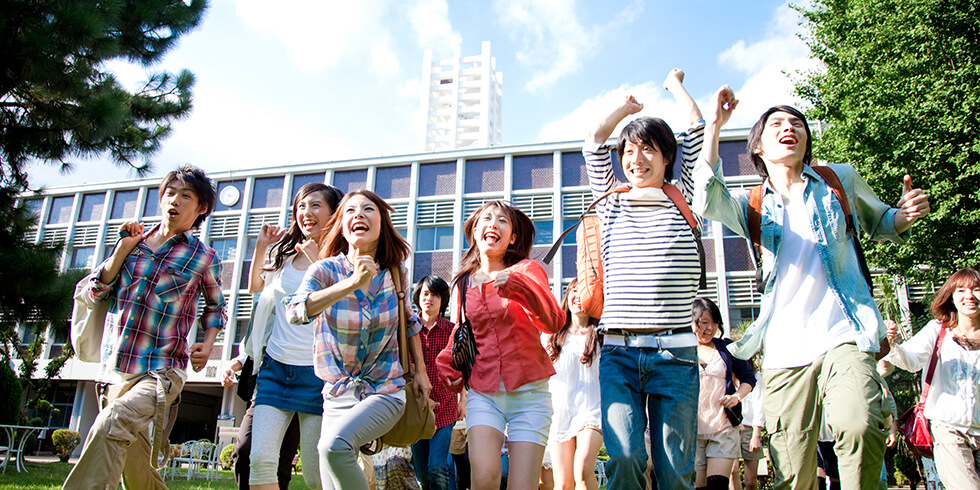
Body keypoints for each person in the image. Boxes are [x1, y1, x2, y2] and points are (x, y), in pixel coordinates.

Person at [693, 87, 931, 489]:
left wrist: (903, 216)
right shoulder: (752, 204)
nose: (790, 128)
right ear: (760, 149)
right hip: (785, 349)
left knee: (859, 425)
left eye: (796, 123)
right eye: (777, 125)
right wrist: (713, 125)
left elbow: (881, 220)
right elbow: (706, 197)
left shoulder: (840, 180)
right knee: (792, 468)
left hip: (845, 332)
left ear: (806, 140)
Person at [64, 165, 226, 489]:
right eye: (169, 193)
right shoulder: (132, 242)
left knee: (113, 421)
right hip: (116, 369)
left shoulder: (203, 257)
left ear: (201, 208)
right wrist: (121, 251)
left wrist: (208, 345)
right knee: (136, 470)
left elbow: (217, 306)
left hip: (161, 372)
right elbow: (95, 291)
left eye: (185, 196)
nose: (174, 201)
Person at [583, 68, 706, 490]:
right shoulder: (610, 202)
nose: (636, 160)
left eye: (649, 150)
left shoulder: (683, 196)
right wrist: (626, 110)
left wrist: (674, 87)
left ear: (668, 157)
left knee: (675, 472)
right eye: (629, 152)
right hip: (618, 352)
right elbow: (594, 141)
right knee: (626, 459)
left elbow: (697, 127)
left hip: (675, 354)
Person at [285, 190, 432, 490]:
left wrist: (421, 374)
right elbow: (295, 311)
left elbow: (409, 322)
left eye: (368, 210)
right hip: (338, 393)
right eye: (350, 211)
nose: (359, 215)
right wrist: (350, 284)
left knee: (332, 448)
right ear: (342, 224)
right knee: (331, 481)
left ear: (382, 224)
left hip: (386, 390)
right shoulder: (324, 270)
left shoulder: (395, 273)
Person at [435, 200, 565, 490]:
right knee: (483, 479)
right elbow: (462, 329)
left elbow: (554, 321)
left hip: (529, 395)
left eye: (502, 221)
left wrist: (519, 288)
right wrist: (446, 361)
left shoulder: (528, 270)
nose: (493, 223)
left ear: (512, 238)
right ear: (476, 231)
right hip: (484, 394)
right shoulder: (465, 282)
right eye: (486, 218)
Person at [244, 182, 344, 490]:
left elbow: (348, 310)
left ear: (333, 213)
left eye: (315, 205)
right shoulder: (285, 255)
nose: (306, 212)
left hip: (319, 375)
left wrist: (319, 262)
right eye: (301, 206)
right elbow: (256, 289)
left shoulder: (342, 259)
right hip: (276, 368)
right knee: (259, 459)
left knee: (316, 475)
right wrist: (262, 247)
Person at [884, 267, 980, 488]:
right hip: (949, 429)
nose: (970, 296)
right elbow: (910, 360)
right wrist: (892, 344)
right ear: (952, 298)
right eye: (962, 291)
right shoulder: (939, 330)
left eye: (976, 289)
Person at [544, 278, 603, 490]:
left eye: (584, 292)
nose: (578, 296)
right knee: (563, 484)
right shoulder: (552, 335)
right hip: (560, 414)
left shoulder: (602, 334)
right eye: (574, 291)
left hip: (592, 412)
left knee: (583, 469)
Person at [692, 298, 756, 490]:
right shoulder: (683, 349)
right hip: (692, 430)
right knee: (698, 485)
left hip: (723, 427)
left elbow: (748, 378)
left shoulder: (726, 348)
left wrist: (737, 396)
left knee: (718, 484)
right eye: (703, 322)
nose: (709, 328)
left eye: (713, 322)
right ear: (692, 322)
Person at [221, 353, 300, 490]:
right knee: (243, 448)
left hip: (296, 401)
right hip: (262, 398)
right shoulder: (263, 331)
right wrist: (230, 369)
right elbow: (247, 354)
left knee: (282, 464)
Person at [410, 275, 459, 489]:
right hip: (415, 408)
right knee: (422, 472)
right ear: (418, 297)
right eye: (425, 294)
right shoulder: (408, 329)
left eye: (435, 295)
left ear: (443, 300)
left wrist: (463, 400)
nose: (429, 298)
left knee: (436, 466)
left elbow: (463, 369)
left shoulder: (453, 330)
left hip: (445, 407)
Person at [729, 382, 764, 490]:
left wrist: (756, 435)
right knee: (732, 473)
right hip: (730, 427)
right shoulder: (727, 376)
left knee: (750, 480)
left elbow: (760, 406)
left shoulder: (755, 378)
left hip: (749, 429)